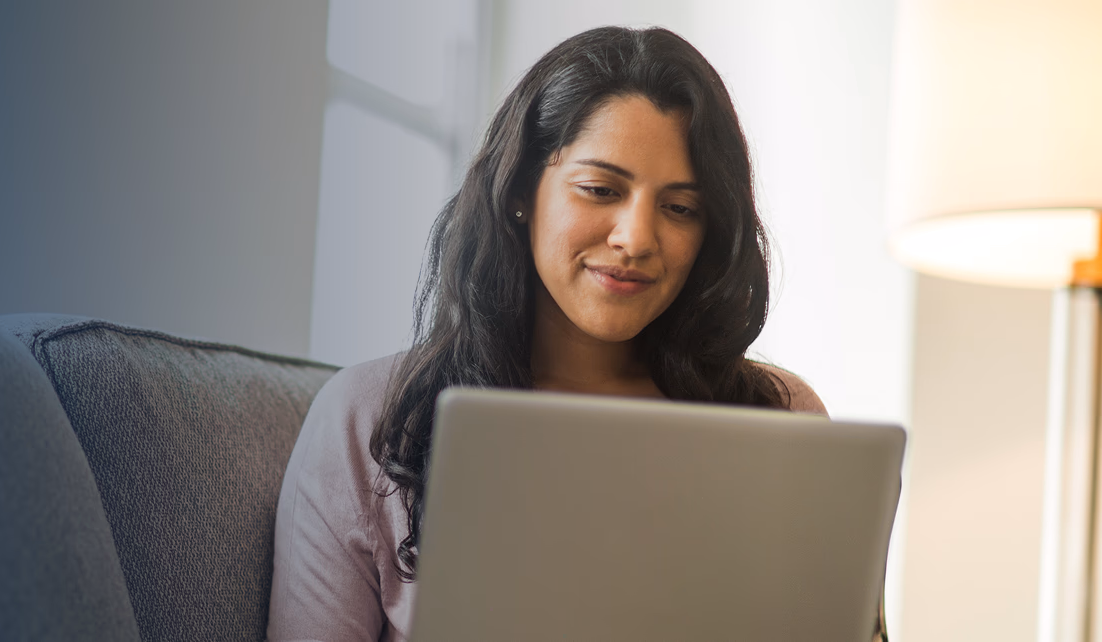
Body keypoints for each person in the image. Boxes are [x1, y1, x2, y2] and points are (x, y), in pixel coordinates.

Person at [266, 25, 887, 642]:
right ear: (521, 191)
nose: (635, 239)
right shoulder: (369, 420)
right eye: (599, 190)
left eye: (680, 208)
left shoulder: (781, 418)